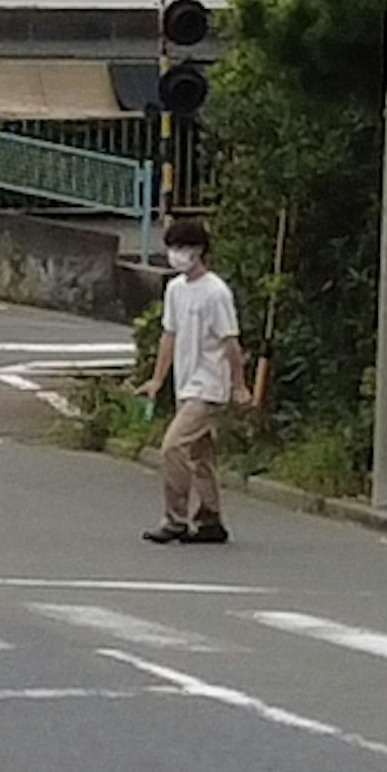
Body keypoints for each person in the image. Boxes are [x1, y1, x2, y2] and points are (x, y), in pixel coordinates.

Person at [138, 217, 244, 546]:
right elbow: (169, 335)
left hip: (209, 385)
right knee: (200, 455)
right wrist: (158, 380)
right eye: (172, 247)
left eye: (182, 248)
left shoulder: (216, 293)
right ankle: (211, 519)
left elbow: (231, 343)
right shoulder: (175, 289)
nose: (176, 254)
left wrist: (239, 385)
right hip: (187, 382)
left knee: (172, 446)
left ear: (199, 251)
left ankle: (175, 519)